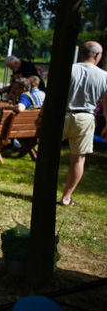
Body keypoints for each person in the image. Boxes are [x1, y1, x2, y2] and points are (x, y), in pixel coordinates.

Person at [58, 41, 107, 206]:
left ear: (81, 53)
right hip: (85, 118)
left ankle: (42, 192)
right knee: (78, 160)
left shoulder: (69, 69)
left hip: (61, 116)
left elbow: (55, 94)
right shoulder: (104, 75)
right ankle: (66, 197)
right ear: (97, 55)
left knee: (48, 155)